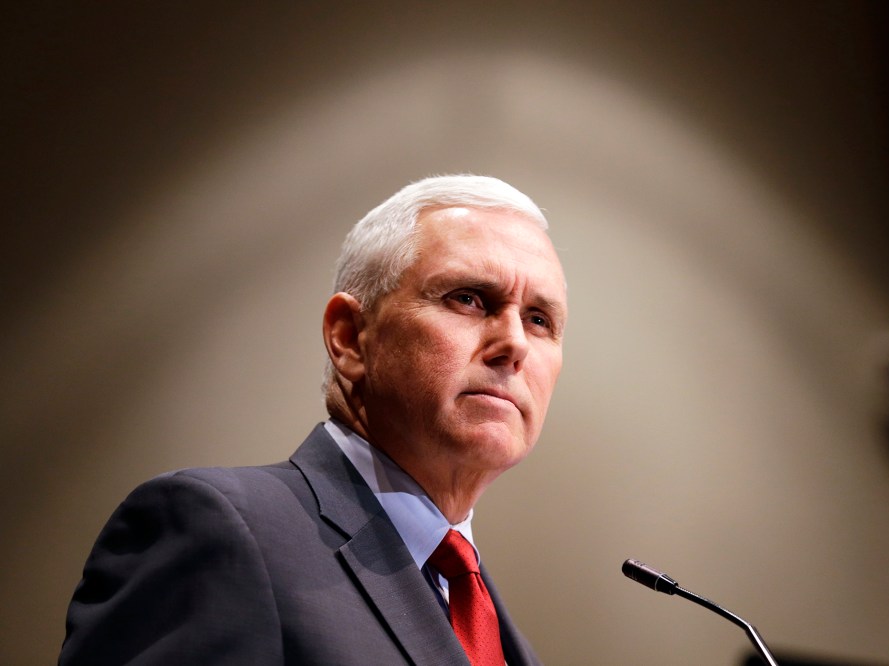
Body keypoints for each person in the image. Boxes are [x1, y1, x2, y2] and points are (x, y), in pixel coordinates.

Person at [59, 174, 568, 665]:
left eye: (539, 320)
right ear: (349, 337)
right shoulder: (215, 529)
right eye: (469, 299)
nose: (515, 345)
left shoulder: (492, 625)